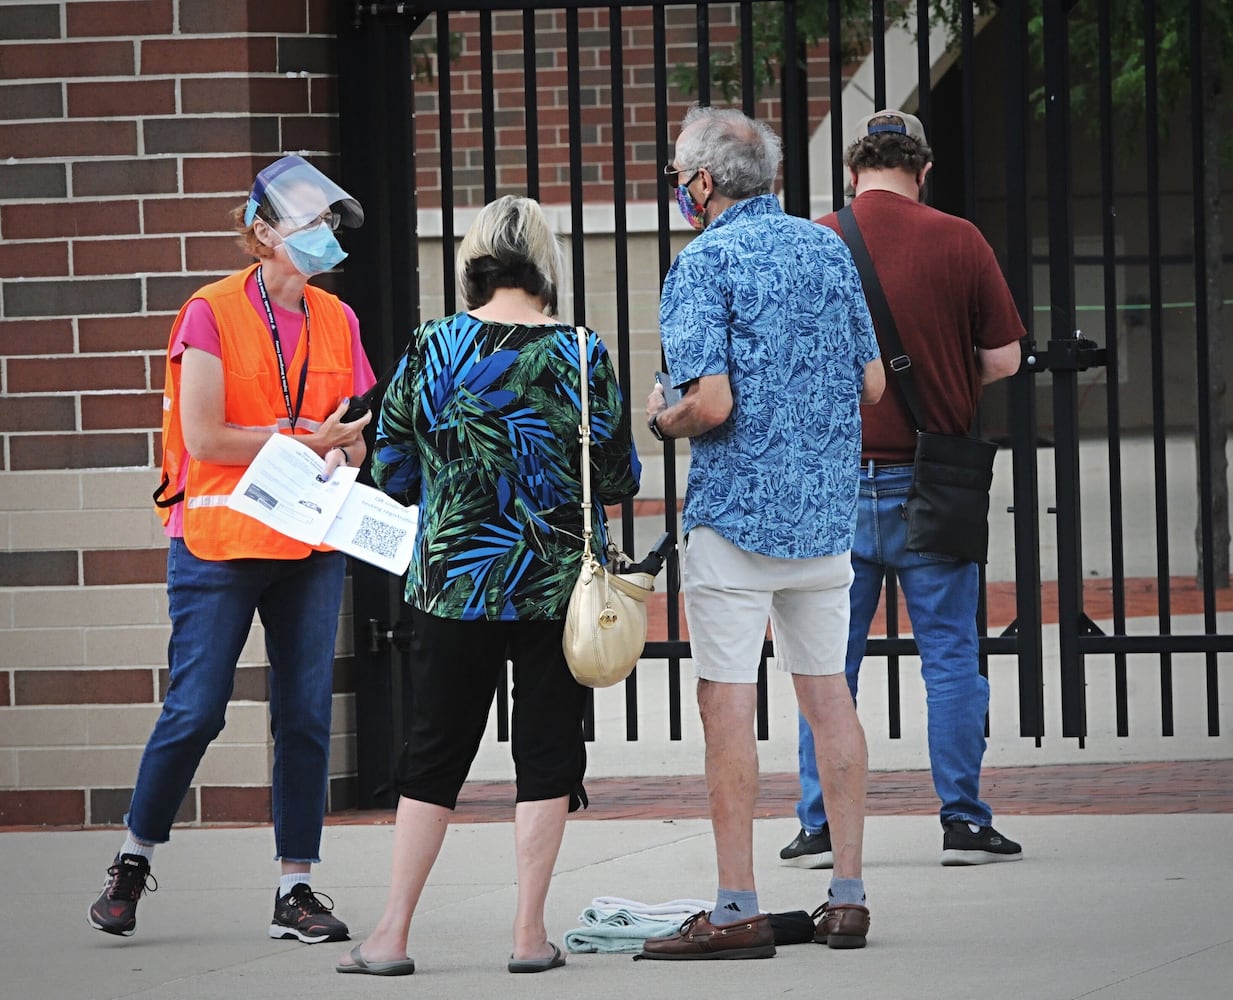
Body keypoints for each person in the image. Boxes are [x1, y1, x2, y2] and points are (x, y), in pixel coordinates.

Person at [335, 195, 641, 978]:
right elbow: (614, 478)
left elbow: (393, 471)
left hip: (453, 586)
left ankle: (391, 935)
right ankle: (529, 935)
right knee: (545, 753)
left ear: (473, 261)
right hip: (555, 591)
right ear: (546, 266)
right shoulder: (580, 352)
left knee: (432, 752)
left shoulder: (433, 345)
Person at [87, 156, 376, 942]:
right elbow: (206, 435)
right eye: (310, 221)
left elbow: (351, 440)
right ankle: (134, 857)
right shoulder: (207, 312)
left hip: (307, 541)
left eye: (329, 222)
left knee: (306, 713)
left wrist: (341, 455)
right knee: (197, 709)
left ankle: (297, 888)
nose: (326, 235)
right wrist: (301, 439)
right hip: (218, 542)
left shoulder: (335, 320)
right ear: (262, 233)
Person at [640, 106, 885, 959]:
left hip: (736, 520)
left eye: (680, 175)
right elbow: (874, 383)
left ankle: (736, 901)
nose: (678, 188)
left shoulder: (700, 263)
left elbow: (710, 404)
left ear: (702, 183)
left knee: (727, 702)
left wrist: (662, 420)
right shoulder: (827, 247)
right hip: (823, 518)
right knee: (830, 699)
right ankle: (846, 895)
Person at [781, 110, 1025, 872]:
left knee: (827, 661)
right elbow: (1007, 357)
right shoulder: (959, 240)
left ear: (852, 172)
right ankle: (962, 821)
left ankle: (818, 826)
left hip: (833, 482)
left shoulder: (817, 240)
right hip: (935, 477)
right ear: (923, 171)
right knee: (951, 655)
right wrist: (948, 384)